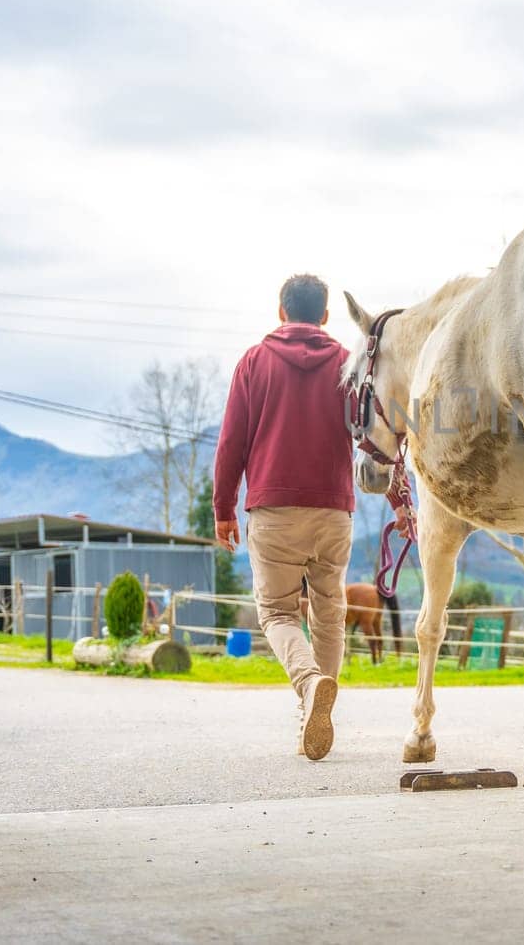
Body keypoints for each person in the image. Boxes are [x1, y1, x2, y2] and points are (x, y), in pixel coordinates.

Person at [214, 274, 355, 760]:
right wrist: (402, 502)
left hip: (273, 508)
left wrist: (223, 506)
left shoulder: (254, 361)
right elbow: (372, 433)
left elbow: (233, 440)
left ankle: (309, 684)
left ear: (280, 311)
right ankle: (315, 710)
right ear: (325, 316)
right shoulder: (346, 364)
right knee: (329, 613)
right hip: (334, 509)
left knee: (276, 612)